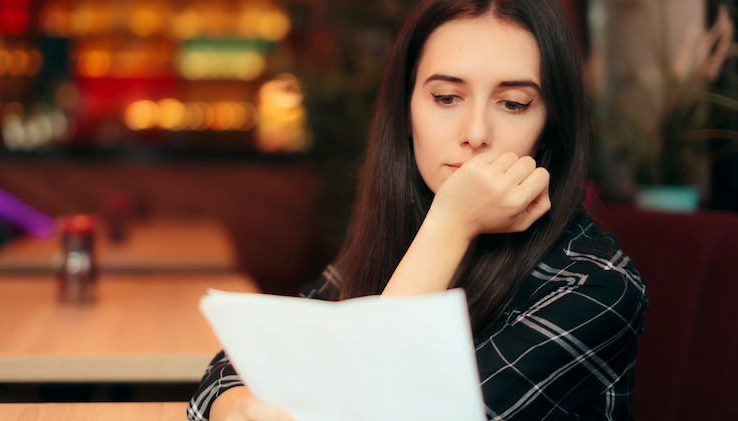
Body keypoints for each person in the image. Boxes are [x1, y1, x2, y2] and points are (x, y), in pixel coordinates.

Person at [187, 0, 648, 420]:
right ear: (406, 114)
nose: (475, 132)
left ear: (549, 129)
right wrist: (240, 409)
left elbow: (382, 413)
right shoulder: (398, 235)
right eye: (447, 97)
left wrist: (451, 222)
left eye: (513, 103)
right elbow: (235, 367)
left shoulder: (597, 285)